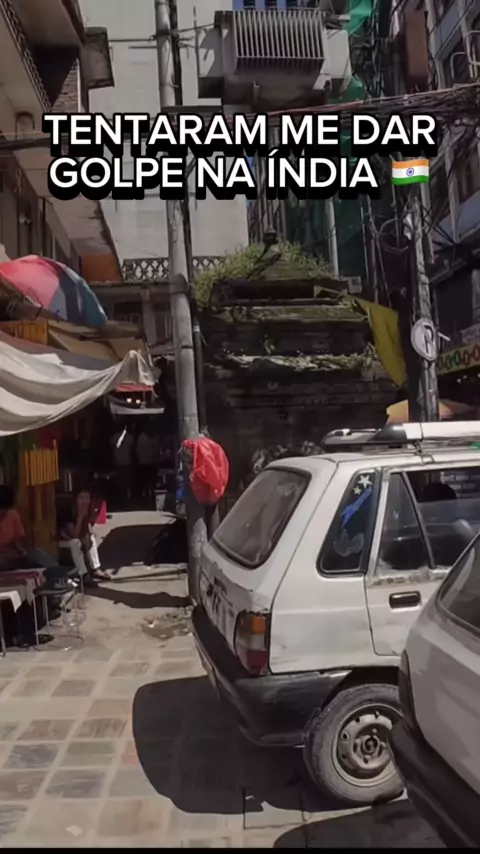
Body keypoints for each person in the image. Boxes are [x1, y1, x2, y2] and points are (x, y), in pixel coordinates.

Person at [0, 485, 73, 588]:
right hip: (2, 559)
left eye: (6, 510)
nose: (4, 513)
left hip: (13, 556)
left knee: (37, 553)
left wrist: (21, 552)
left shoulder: (13, 514)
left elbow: (16, 541)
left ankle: (62, 576)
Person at [58, 489, 109, 584]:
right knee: (75, 542)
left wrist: (88, 537)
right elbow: (73, 534)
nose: (84, 501)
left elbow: (87, 528)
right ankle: (84, 574)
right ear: (76, 499)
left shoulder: (88, 509)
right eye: (81, 498)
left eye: (87, 498)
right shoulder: (68, 511)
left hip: (75, 537)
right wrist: (80, 517)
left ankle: (95, 568)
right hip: (61, 539)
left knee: (91, 537)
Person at [111, 425, 134, 504]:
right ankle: (127, 498)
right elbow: (132, 449)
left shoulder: (114, 437)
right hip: (127, 462)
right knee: (127, 481)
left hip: (118, 462)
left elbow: (112, 447)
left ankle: (122, 498)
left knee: (120, 481)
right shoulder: (129, 437)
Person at [136, 425, 159, 501]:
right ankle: (150, 492)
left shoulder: (140, 438)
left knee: (145, 479)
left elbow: (137, 450)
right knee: (151, 479)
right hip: (152, 462)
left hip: (143, 462)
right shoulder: (154, 438)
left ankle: (145, 492)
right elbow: (157, 450)